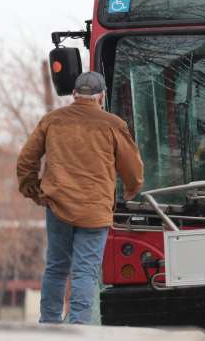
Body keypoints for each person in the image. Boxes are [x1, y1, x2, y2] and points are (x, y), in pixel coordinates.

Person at [16, 71, 144, 324]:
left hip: (57, 205)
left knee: (56, 267)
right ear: (101, 96)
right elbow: (133, 170)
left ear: (74, 94)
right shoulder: (113, 124)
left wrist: (35, 191)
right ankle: (79, 328)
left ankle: (49, 324)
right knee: (84, 271)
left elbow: (26, 161)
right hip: (94, 212)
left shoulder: (52, 120)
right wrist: (131, 189)